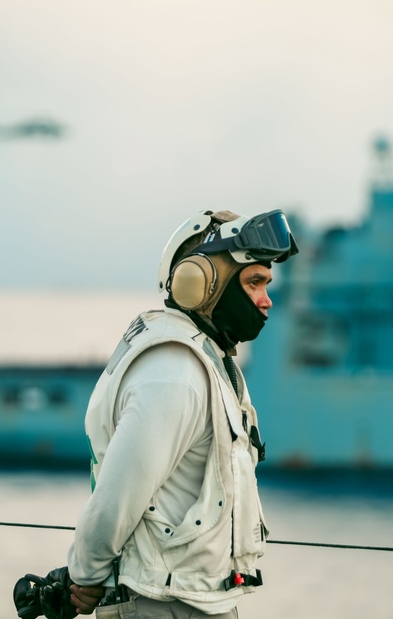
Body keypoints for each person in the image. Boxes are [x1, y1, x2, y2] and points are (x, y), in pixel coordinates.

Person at [61, 208, 299, 619]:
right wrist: (86, 575)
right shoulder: (175, 374)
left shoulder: (207, 361)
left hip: (195, 600)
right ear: (201, 284)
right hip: (163, 605)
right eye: (254, 282)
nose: (266, 298)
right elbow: (118, 493)